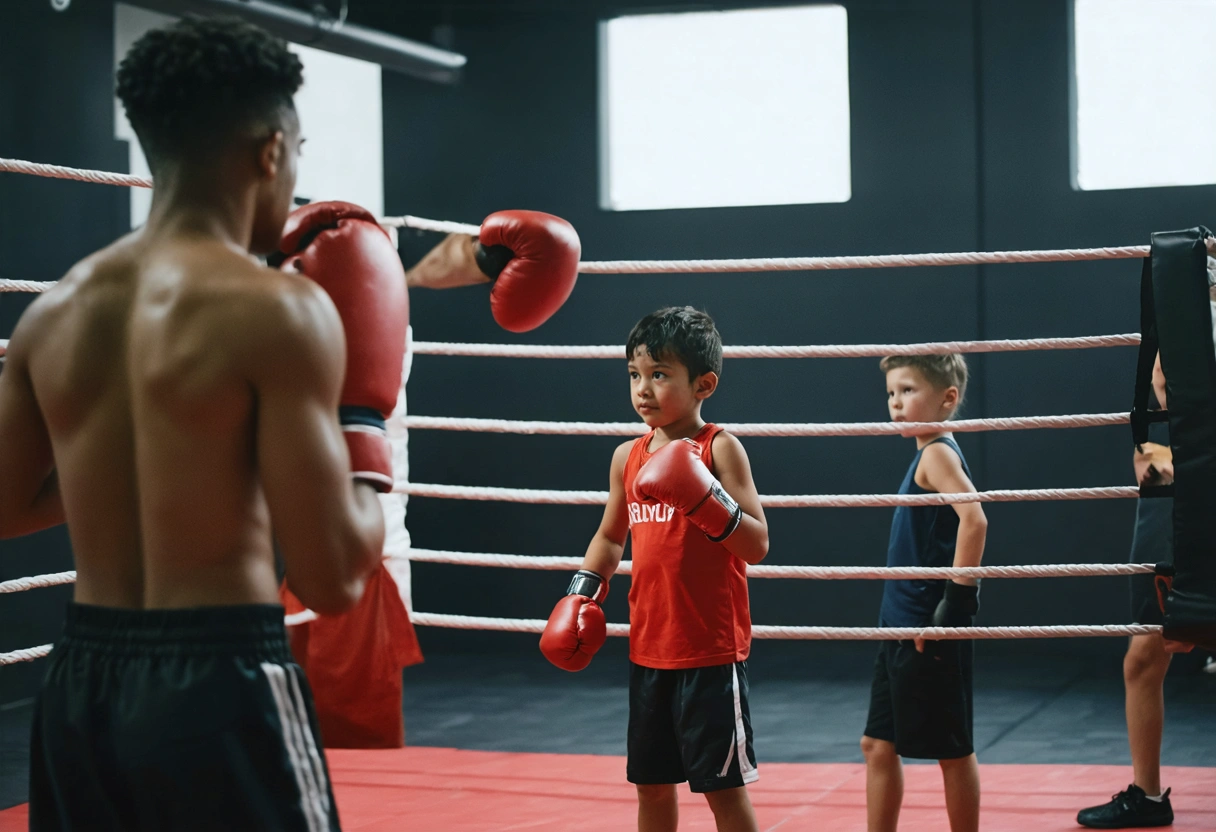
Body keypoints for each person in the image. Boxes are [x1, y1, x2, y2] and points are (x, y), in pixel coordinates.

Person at [0, 18, 401, 829]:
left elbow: (4, 508)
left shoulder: (56, 313)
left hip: (81, 684)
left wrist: (139, 467)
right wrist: (364, 418)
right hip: (221, 683)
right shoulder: (279, 311)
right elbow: (331, 577)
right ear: (270, 151)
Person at [276, 201, 581, 748]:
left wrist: (487, 257)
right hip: (288, 546)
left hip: (350, 547)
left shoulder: (362, 289)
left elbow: (431, 261)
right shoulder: (260, 302)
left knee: (340, 752)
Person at [538, 306, 769, 832]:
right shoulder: (628, 456)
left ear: (703, 383)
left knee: (723, 791)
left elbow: (757, 544)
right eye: (635, 375)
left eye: (660, 375)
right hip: (649, 648)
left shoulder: (720, 449)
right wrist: (580, 594)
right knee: (651, 786)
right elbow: (609, 536)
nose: (643, 388)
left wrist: (705, 499)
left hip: (709, 650)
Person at [861, 354, 987, 832]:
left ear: (947, 398)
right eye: (891, 393)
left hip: (924, 628)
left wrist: (954, 608)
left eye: (908, 391)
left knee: (952, 751)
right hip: (900, 625)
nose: (895, 403)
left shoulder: (937, 453)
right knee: (878, 745)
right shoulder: (927, 452)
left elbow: (975, 518)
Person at [1077, 352, 1176, 828]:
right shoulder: (1179, 287)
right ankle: (1149, 796)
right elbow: (1159, 375)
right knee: (1144, 656)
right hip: (1177, 483)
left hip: (1188, 475)